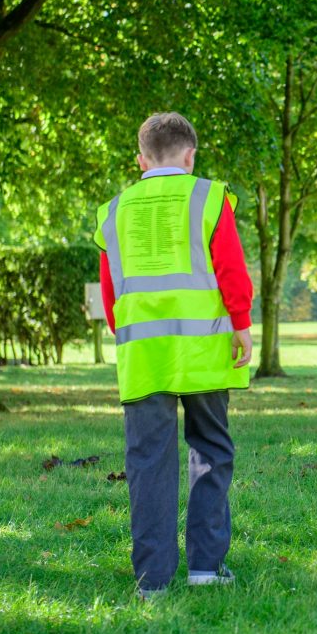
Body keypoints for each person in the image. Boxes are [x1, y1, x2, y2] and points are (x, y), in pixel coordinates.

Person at [94, 112, 255, 600]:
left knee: (147, 461)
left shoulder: (114, 210)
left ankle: (153, 579)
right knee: (210, 448)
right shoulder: (208, 197)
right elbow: (231, 269)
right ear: (190, 156)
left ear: (141, 160)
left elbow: (110, 290)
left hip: (144, 353)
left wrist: (129, 332)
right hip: (204, 347)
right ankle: (206, 566)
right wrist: (242, 325)